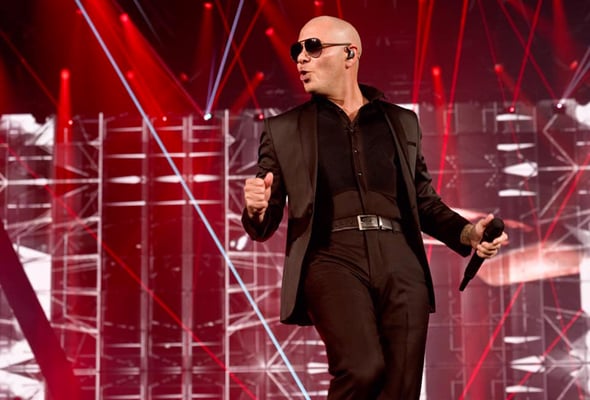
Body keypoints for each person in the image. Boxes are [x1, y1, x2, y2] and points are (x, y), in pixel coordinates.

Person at [242, 15, 508, 399]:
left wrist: (469, 233)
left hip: (400, 258)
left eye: (313, 47)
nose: (301, 58)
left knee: (400, 389)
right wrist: (256, 208)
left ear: (350, 54)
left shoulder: (401, 122)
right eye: (297, 49)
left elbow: (423, 201)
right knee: (362, 369)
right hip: (329, 257)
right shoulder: (283, 130)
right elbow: (263, 221)